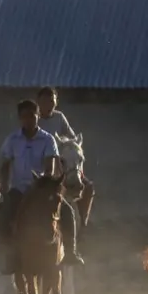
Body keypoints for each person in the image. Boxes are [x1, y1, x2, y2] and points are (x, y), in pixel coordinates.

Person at [0, 99, 84, 274]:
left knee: (67, 211)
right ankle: (11, 255)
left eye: (32, 115)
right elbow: (5, 165)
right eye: (25, 116)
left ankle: (70, 251)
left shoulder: (48, 139)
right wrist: (3, 189)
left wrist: (43, 183)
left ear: (38, 116)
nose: (29, 119)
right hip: (20, 189)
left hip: (42, 189)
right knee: (4, 214)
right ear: (20, 118)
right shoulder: (12, 140)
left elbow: (50, 166)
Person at [37, 86, 95, 228]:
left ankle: (83, 220)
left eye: (52, 101)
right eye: (45, 101)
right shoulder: (35, 119)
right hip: (42, 162)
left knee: (88, 187)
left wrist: (72, 145)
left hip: (63, 162)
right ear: (39, 102)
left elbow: (71, 137)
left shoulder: (59, 117)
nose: (49, 105)